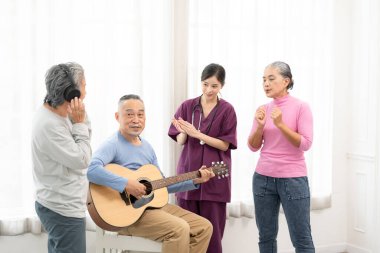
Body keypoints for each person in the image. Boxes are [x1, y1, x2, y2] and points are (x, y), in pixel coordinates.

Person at [87, 94, 214, 253]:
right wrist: (126, 184)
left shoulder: (147, 147)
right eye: (129, 114)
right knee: (179, 229)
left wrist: (195, 180)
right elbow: (92, 170)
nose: (136, 119)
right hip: (129, 216)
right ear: (117, 116)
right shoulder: (112, 144)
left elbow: (163, 185)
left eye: (140, 114)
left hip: (153, 208)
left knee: (204, 227)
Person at [168, 63, 238, 253]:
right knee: (186, 233)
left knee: (213, 236)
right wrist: (183, 131)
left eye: (214, 86)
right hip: (189, 175)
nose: (209, 90)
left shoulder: (227, 110)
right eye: (205, 84)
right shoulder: (187, 106)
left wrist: (198, 134)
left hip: (216, 175)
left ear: (222, 86)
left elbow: (225, 144)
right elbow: (180, 140)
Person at [247, 61, 315, 253]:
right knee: (266, 237)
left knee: (301, 237)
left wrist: (281, 125)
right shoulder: (263, 109)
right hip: (263, 178)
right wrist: (260, 126)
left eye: (271, 78)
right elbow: (252, 147)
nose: (266, 84)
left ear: (286, 81)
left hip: (293, 179)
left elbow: (305, 143)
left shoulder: (302, 107)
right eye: (263, 79)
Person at [32, 62, 91, 253]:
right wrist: (80, 122)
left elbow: (84, 141)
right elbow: (83, 159)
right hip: (63, 209)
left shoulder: (62, 113)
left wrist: (79, 119)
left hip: (59, 204)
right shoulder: (50, 126)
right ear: (72, 94)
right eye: (84, 85)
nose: (86, 92)